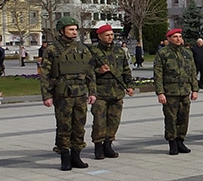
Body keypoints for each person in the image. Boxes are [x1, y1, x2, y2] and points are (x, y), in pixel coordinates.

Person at [40, 17, 96, 171]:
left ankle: (76, 155)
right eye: (71, 29)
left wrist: (92, 92)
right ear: (61, 31)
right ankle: (65, 157)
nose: (74, 32)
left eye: (75, 29)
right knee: (64, 126)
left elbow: (90, 72)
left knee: (79, 126)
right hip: (62, 94)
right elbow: (45, 74)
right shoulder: (52, 50)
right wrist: (47, 95)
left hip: (80, 93)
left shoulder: (83, 49)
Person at [89, 24, 134, 160]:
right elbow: (87, 72)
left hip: (117, 91)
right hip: (100, 92)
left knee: (114, 120)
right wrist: (99, 71)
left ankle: (108, 144)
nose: (110, 37)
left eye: (111, 35)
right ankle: (98, 146)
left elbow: (126, 69)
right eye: (107, 35)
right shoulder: (93, 51)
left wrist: (129, 85)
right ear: (100, 36)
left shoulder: (119, 51)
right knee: (99, 121)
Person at [153, 28, 199, 155]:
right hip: (170, 92)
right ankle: (172, 142)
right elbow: (158, 74)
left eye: (179, 36)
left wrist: (195, 89)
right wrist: (160, 92)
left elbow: (192, 72)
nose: (178, 39)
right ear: (168, 39)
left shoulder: (187, 53)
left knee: (183, 118)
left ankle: (180, 140)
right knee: (171, 119)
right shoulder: (163, 53)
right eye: (175, 37)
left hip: (184, 91)